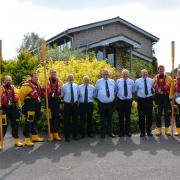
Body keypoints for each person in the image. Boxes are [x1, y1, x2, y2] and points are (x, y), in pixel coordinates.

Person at [19, 72, 44, 147]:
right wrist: (20, 105)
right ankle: (26, 139)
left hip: (37, 105)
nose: (36, 78)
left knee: (35, 121)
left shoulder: (38, 84)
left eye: (37, 77)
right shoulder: (26, 85)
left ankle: (34, 136)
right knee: (29, 121)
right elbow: (21, 96)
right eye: (34, 77)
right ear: (31, 77)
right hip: (30, 105)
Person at [0, 76, 23, 150]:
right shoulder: (1, 88)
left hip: (14, 108)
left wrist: (19, 107)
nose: (8, 81)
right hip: (4, 108)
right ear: (4, 81)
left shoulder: (14, 88)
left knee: (16, 125)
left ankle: (16, 141)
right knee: (3, 126)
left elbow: (18, 98)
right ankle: (0, 142)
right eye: (7, 80)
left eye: (10, 80)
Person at [95, 70, 116, 138]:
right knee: (102, 119)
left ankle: (110, 132)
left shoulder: (112, 81)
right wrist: (99, 99)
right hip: (102, 104)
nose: (106, 75)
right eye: (104, 74)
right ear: (102, 74)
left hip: (110, 104)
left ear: (108, 74)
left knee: (110, 118)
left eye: (107, 74)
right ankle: (103, 133)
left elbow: (115, 91)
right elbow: (96, 92)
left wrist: (112, 98)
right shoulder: (98, 81)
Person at [134, 69, 154, 137]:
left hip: (149, 99)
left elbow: (154, 89)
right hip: (141, 100)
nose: (145, 74)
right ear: (141, 74)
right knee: (141, 116)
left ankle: (148, 131)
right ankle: (142, 132)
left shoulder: (151, 80)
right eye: (143, 73)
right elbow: (135, 90)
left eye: (146, 73)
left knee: (149, 116)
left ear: (148, 74)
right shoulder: (137, 81)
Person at [154, 65, 172, 136]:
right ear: (158, 70)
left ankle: (167, 130)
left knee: (167, 114)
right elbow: (154, 87)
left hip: (166, 97)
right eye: (160, 69)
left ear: (164, 70)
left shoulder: (169, 78)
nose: (161, 70)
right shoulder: (155, 77)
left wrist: (170, 97)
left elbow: (171, 88)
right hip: (158, 97)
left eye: (163, 69)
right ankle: (159, 130)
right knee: (158, 114)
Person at [116, 69, 134, 137]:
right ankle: (121, 132)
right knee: (121, 117)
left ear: (128, 74)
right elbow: (116, 90)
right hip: (120, 101)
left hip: (128, 101)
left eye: (126, 74)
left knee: (128, 117)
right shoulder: (118, 81)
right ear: (122, 74)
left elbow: (133, 90)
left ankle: (128, 131)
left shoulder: (131, 81)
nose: (125, 75)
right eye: (124, 74)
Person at [61, 74, 79, 142]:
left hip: (74, 105)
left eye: (72, 77)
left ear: (73, 78)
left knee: (75, 121)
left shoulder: (76, 85)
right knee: (67, 121)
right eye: (70, 77)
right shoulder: (64, 86)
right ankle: (67, 137)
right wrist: (62, 104)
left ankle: (74, 136)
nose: (71, 78)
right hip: (67, 105)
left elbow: (78, 94)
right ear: (67, 78)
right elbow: (62, 96)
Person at [45, 69, 61, 141]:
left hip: (56, 101)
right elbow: (42, 91)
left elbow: (62, 93)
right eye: (52, 72)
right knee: (50, 118)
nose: (54, 73)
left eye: (55, 72)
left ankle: (56, 133)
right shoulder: (46, 81)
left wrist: (61, 103)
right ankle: (50, 134)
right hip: (49, 101)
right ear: (50, 73)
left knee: (56, 117)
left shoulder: (60, 82)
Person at [170, 68, 180, 136]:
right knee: (177, 116)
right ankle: (178, 130)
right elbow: (171, 91)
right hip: (176, 100)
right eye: (179, 72)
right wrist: (171, 100)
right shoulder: (174, 81)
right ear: (177, 73)